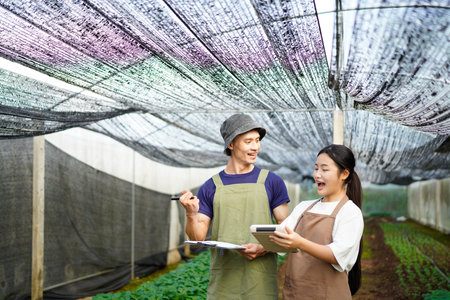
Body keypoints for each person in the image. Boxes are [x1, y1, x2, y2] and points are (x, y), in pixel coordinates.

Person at [179, 113, 291, 299]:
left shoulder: (271, 181)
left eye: (257, 140)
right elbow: (197, 238)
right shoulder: (211, 186)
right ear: (231, 144)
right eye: (248, 141)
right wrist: (191, 215)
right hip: (224, 280)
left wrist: (263, 248)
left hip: (260, 279)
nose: (256, 147)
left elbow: (288, 229)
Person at [270, 144, 363, 299]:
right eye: (316, 168)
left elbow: (336, 255)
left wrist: (300, 243)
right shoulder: (303, 207)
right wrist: (259, 246)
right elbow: (281, 236)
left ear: (344, 174)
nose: (317, 175)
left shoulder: (350, 212)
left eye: (324, 169)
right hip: (296, 293)